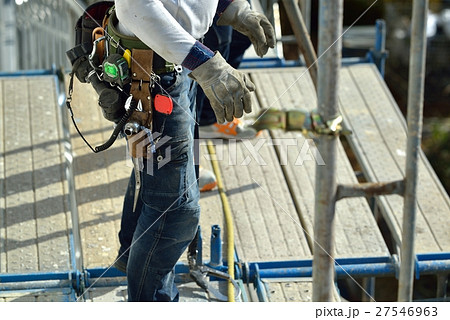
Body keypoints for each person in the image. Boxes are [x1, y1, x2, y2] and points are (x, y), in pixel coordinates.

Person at [112, 0, 275, 301]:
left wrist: (233, 9)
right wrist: (206, 65)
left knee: (160, 177)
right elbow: (135, 7)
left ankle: (134, 254)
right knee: (175, 208)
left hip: (178, 61)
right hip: (156, 70)